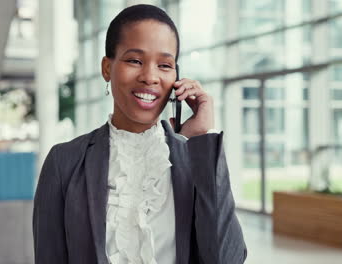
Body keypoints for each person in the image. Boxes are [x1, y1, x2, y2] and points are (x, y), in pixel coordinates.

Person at [33, 4, 247, 264]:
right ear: (107, 68)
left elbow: (227, 259)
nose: (150, 77)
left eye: (165, 65)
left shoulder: (194, 158)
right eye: (135, 60)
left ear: (177, 76)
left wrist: (203, 139)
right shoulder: (63, 162)